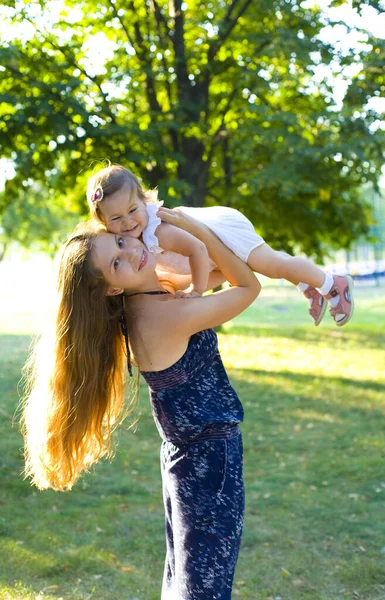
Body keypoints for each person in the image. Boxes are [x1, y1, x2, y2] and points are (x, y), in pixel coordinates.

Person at [22, 209, 261, 599]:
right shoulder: (162, 315)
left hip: (192, 457)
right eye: (117, 263)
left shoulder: (152, 297)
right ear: (112, 288)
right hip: (208, 462)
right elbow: (248, 287)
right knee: (203, 590)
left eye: (119, 242)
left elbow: (222, 272)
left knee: (186, 580)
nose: (131, 252)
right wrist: (196, 231)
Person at [86, 163, 354, 327]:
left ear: (143, 199)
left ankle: (332, 283)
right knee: (260, 263)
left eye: (133, 209)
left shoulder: (158, 231)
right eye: (116, 218)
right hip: (212, 244)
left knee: (270, 265)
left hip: (220, 232)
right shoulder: (134, 239)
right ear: (103, 222)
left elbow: (198, 250)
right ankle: (306, 283)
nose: (128, 222)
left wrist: (196, 290)